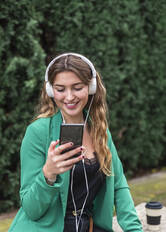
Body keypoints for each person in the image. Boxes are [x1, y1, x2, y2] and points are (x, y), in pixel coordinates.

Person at [9, 53, 143, 232]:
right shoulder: (38, 132)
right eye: (60, 89)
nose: (69, 97)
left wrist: (134, 230)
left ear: (91, 87)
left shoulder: (99, 130)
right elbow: (31, 209)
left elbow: (119, 185)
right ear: (50, 91)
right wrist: (48, 174)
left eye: (77, 87)